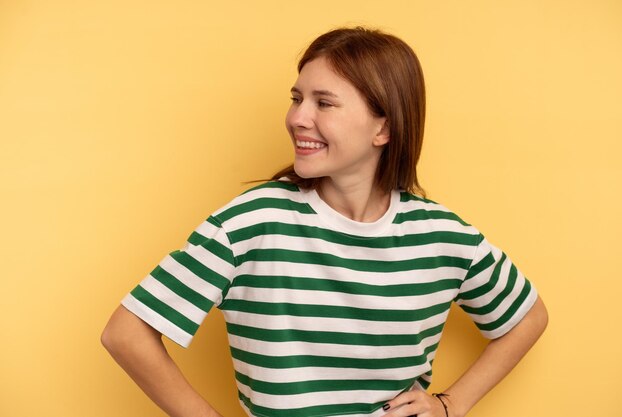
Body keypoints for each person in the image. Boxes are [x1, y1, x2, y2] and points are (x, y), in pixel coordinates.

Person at [102, 27, 548, 417]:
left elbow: (528, 317)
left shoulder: (442, 236)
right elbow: (126, 333)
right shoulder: (253, 221)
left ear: (383, 129)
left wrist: (452, 403)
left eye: (324, 103)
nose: (298, 118)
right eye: (297, 98)